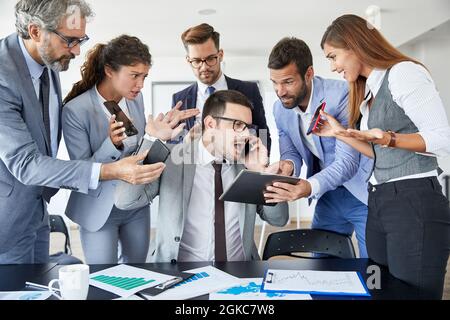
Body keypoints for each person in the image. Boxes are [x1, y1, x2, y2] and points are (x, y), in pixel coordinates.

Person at [0, 0, 164, 264]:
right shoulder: (3, 74)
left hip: (38, 209)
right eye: (69, 40)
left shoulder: (48, 68)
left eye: (81, 40)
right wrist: (111, 169)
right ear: (35, 32)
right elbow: (26, 164)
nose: (76, 51)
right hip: (7, 218)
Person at [316, 14, 450, 299]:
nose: (333, 67)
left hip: (414, 203)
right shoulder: (368, 93)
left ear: (354, 45)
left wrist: (387, 137)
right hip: (379, 202)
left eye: (333, 56)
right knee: (378, 288)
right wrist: (340, 133)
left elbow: (442, 138)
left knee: (412, 295)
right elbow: (377, 150)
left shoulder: (403, 73)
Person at [62, 35, 197, 264]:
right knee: (103, 277)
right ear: (109, 71)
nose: (141, 84)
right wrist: (111, 146)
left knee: (136, 272)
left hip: (135, 204)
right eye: (134, 76)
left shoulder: (135, 99)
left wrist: (159, 135)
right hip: (98, 208)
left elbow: (140, 153)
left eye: (144, 76)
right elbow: (81, 171)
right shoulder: (76, 110)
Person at [115, 90, 289, 263]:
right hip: (180, 273)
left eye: (248, 128)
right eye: (237, 125)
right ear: (211, 124)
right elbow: (125, 200)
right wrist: (152, 139)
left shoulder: (248, 164)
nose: (245, 135)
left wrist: (262, 174)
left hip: (240, 273)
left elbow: (278, 219)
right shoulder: (172, 159)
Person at [263, 37, 372, 258]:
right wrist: (288, 165)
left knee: (373, 269)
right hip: (328, 194)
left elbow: (348, 163)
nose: (280, 91)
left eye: (288, 81)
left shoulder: (342, 95)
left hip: (362, 193)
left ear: (309, 74)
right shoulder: (280, 109)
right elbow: (291, 150)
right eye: (274, 82)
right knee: (321, 264)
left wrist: (307, 187)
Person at [171, 23, 271, 152]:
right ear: (188, 60)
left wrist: (257, 164)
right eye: (196, 61)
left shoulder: (249, 90)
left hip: (240, 168)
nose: (204, 67)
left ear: (221, 55)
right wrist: (186, 141)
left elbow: (262, 135)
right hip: (197, 170)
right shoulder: (180, 99)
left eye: (210, 58)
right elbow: (173, 143)